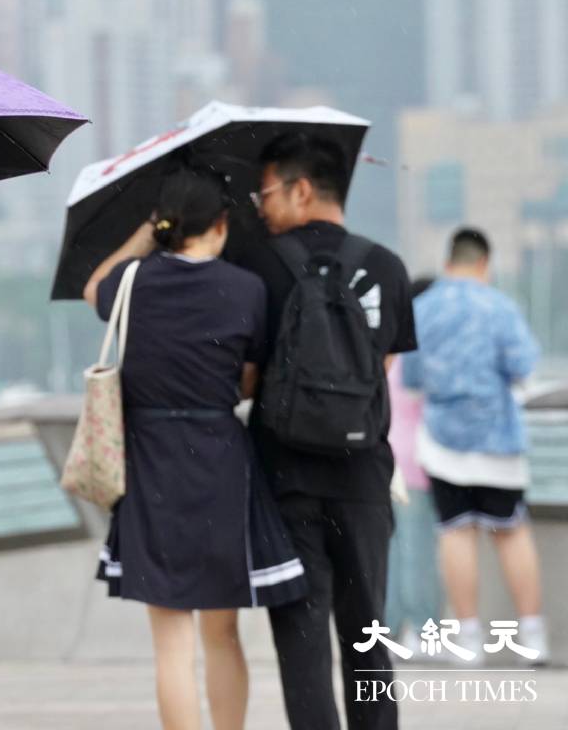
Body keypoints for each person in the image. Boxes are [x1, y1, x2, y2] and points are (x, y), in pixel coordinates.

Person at [83, 167, 306, 730]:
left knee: (171, 645)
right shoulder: (247, 289)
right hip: (219, 460)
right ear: (222, 223)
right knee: (222, 633)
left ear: (164, 224)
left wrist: (147, 232)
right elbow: (248, 381)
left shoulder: (132, 281)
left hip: (150, 459)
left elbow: (94, 288)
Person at [231, 132, 416, 730]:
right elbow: (382, 367)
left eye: (264, 194)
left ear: (301, 189)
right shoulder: (386, 265)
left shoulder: (257, 264)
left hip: (286, 480)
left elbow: (246, 378)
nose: (260, 208)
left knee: (302, 646)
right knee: (368, 639)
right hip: (363, 479)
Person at [404, 228, 547, 660]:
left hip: (444, 441)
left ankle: (468, 638)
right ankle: (532, 636)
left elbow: (412, 379)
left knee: (456, 533)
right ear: (484, 262)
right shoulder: (500, 306)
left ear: (449, 261)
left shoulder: (422, 309)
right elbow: (524, 366)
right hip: (498, 438)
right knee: (512, 532)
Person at [384, 277, 441, 654]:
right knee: (417, 552)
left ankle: (387, 631)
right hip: (415, 465)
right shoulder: (420, 353)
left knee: (391, 552)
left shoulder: (391, 349)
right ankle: (423, 631)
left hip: (388, 460)